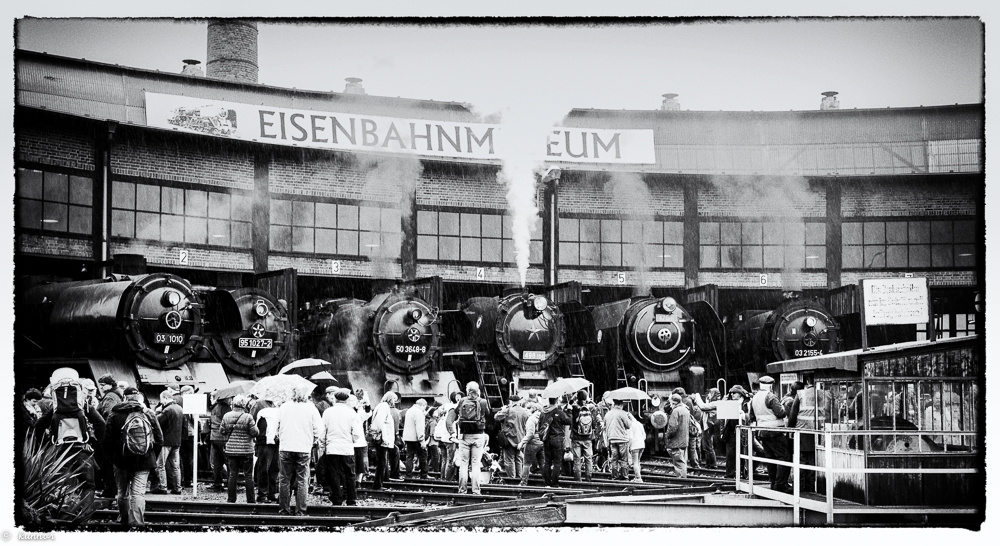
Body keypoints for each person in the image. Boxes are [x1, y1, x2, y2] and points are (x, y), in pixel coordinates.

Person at [102, 387, 162, 528]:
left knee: (122, 492)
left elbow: (107, 441)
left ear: (125, 397)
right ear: (139, 398)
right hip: (145, 461)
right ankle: (136, 523)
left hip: (121, 461)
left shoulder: (115, 413)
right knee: (138, 494)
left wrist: (114, 458)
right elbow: (159, 439)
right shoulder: (148, 413)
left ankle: (124, 519)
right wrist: (151, 455)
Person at [275, 388, 324, 515]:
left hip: (286, 447)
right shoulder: (311, 408)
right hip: (303, 448)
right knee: (302, 479)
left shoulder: (284, 407)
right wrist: (313, 440)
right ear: (306, 395)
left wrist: (281, 437)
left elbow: (276, 426)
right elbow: (319, 429)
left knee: (284, 479)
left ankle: (284, 510)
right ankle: (300, 511)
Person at [320, 388, 364, 505]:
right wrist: (352, 441)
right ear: (347, 399)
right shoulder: (352, 413)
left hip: (332, 448)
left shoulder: (328, 412)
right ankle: (351, 499)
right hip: (347, 449)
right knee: (350, 474)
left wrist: (323, 446)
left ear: (335, 398)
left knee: (334, 474)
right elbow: (356, 433)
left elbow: (322, 431)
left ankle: (337, 498)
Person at [749, 375, 792, 493]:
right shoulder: (770, 396)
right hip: (774, 431)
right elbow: (781, 413)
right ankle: (781, 485)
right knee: (784, 457)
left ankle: (773, 483)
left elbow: (751, 416)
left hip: (762, 432)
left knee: (771, 459)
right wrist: (785, 407)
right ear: (771, 385)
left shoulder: (755, 398)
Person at [787, 378, 827, 493]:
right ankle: (810, 488)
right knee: (812, 462)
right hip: (818, 433)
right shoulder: (823, 394)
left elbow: (792, 415)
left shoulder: (801, 394)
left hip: (802, 433)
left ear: (808, 382)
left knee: (801, 462)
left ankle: (800, 488)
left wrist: (790, 431)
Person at [454, 382, 491, 495]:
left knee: (464, 464)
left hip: (464, 436)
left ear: (467, 390)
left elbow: (456, 412)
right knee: (475, 464)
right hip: (478, 435)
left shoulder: (462, 401)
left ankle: (462, 490)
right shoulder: (483, 401)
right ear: (478, 390)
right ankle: (476, 490)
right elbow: (488, 413)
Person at [151, 389, 183, 494]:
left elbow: (156, 422)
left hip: (166, 442)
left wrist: (158, 411)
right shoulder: (179, 408)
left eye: (161, 400)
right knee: (175, 465)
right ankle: (177, 488)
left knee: (160, 465)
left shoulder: (167, 410)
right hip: (176, 441)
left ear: (165, 398)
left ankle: (163, 487)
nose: (161, 402)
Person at [537, 395, 572, 487]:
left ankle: (547, 482)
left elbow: (539, 426)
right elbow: (569, 421)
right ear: (556, 400)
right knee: (557, 462)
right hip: (557, 440)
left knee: (547, 461)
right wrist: (569, 411)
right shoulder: (558, 412)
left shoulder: (543, 412)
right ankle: (555, 483)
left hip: (546, 440)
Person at [494, 395, 529, 480]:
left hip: (510, 438)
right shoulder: (524, 412)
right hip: (520, 438)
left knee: (509, 460)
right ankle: (519, 478)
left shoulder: (508, 410)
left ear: (511, 401)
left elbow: (496, 417)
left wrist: (503, 409)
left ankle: (512, 480)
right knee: (518, 459)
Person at [369, 391, 398, 490]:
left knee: (382, 461)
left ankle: (382, 481)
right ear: (390, 398)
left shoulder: (381, 406)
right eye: (394, 399)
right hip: (382, 439)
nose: (395, 401)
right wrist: (385, 438)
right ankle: (377, 485)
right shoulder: (384, 406)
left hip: (382, 438)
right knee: (382, 462)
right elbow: (380, 423)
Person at [254, 397, 280, 503]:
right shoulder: (278, 412)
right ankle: (269, 493)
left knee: (264, 468)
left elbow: (257, 428)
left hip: (264, 442)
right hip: (275, 442)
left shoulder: (262, 412)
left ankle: (263, 493)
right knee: (273, 469)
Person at [721, 385, 750, 479]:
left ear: (740, 394)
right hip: (731, 432)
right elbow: (723, 419)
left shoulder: (747, 403)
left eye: (734, 393)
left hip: (743, 432)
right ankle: (730, 473)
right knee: (730, 454)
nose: (732, 394)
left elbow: (751, 416)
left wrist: (744, 415)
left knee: (743, 452)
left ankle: (742, 472)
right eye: (731, 393)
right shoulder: (729, 403)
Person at [569, 391, 599, 482]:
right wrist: (590, 401)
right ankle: (588, 478)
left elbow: (569, 417)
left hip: (576, 437)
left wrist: (571, 400)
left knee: (577, 459)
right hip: (588, 438)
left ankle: (578, 479)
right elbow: (595, 418)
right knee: (588, 459)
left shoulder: (574, 407)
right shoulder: (591, 407)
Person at [602, 399, 631, 480]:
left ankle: (615, 476)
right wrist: (629, 418)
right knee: (624, 459)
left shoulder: (608, 414)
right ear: (621, 405)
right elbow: (628, 425)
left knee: (614, 459)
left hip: (612, 439)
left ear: (614, 404)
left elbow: (605, 426)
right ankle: (624, 476)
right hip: (622, 439)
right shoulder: (622, 413)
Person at [209, 393, 232, 491]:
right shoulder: (226, 408)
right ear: (225, 398)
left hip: (213, 437)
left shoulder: (214, 407)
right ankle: (230, 483)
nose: (231, 399)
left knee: (217, 463)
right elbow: (228, 422)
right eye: (230, 398)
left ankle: (218, 484)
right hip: (223, 437)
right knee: (228, 461)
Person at [517, 403, 544, 486]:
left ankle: (523, 482)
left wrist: (522, 443)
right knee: (542, 463)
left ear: (533, 409)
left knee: (526, 463)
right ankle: (547, 481)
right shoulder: (543, 418)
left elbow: (530, 433)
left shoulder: (531, 419)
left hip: (532, 442)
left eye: (528, 409)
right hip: (541, 442)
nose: (526, 411)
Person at [402, 398, 429, 479]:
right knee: (423, 455)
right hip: (416, 438)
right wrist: (422, 441)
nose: (425, 409)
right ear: (422, 405)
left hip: (408, 438)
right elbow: (420, 428)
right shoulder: (419, 412)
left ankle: (408, 475)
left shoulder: (409, 410)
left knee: (409, 457)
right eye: (425, 407)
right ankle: (424, 474)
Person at [665, 394, 691, 478]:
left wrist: (667, 436)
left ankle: (682, 480)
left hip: (676, 441)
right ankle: (683, 478)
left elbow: (672, 427)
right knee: (683, 461)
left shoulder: (676, 411)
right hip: (684, 440)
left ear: (674, 402)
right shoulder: (686, 410)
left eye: (671, 403)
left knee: (679, 463)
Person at [348, 394, 372, 487]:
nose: (353, 403)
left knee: (360, 465)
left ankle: (358, 482)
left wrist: (367, 404)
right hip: (350, 443)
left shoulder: (358, 413)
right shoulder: (347, 412)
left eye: (354, 401)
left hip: (359, 443)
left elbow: (367, 413)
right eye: (351, 401)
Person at [440, 391, 463, 481]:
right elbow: (449, 422)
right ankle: (448, 479)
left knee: (444, 459)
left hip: (445, 437)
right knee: (451, 460)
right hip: (450, 439)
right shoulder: (453, 409)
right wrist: (452, 433)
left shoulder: (448, 407)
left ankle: (443, 477)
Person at [628, 413, 646, 482]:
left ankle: (638, 478)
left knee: (634, 462)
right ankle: (638, 476)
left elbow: (631, 437)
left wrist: (629, 446)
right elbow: (644, 435)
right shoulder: (639, 424)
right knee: (638, 461)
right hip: (642, 444)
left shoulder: (631, 425)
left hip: (635, 445)